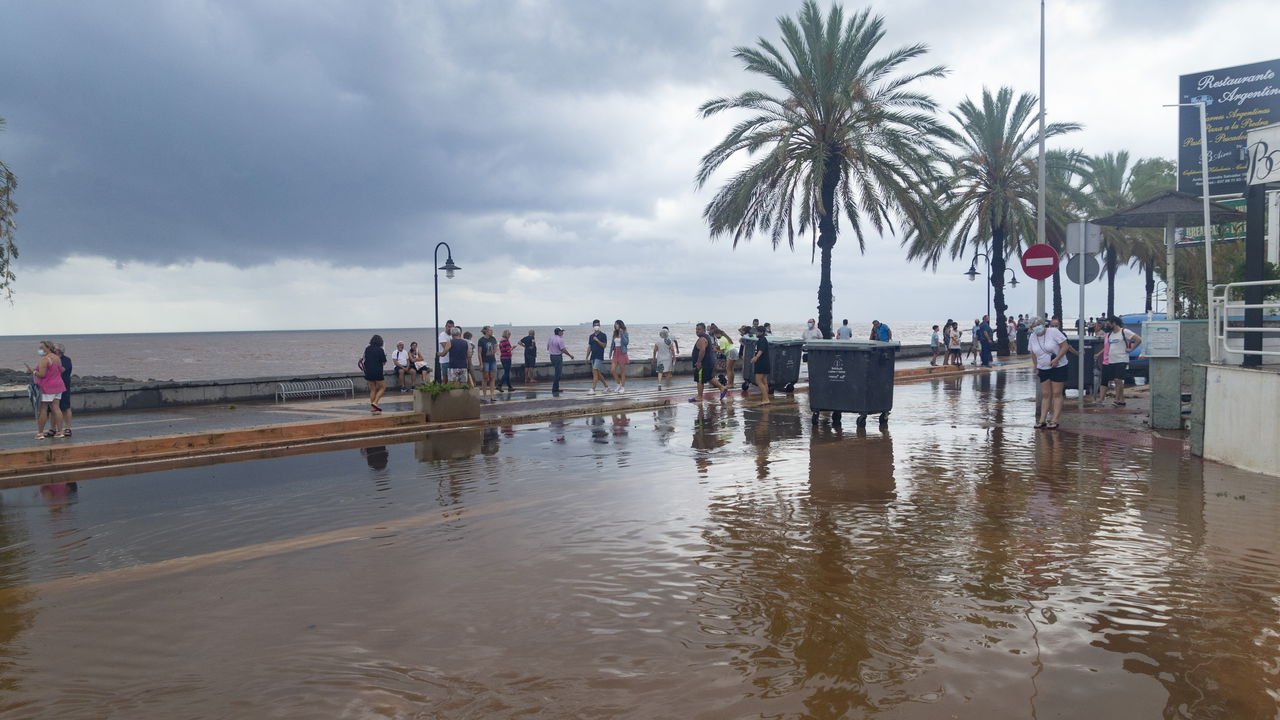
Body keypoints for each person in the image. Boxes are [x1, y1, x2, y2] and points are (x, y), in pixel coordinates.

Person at [1028, 317, 1070, 429]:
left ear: (1043, 324)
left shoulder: (1053, 332)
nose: (1037, 327)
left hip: (1058, 366)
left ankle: (1055, 419)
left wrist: (1057, 359)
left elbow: (1065, 346)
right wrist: (1035, 366)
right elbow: (1033, 353)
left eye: (1038, 324)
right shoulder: (1032, 337)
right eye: (1034, 326)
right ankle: (1042, 419)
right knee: (1046, 394)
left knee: (1056, 393)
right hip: (1043, 367)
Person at [1097, 315, 1141, 407]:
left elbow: (1138, 339)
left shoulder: (1124, 332)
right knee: (1116, 380)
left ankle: (1117, 399)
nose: (1107, 326)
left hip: (1122, 359)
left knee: (1118, 379)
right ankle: (1121, 400)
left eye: (1108, 324)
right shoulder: (1110, 334)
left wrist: (1131, 349)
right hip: (1112, 360)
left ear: (1114, 323)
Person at [689, 322, 728, 403]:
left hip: (704, 364)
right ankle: (722, 388)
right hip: (709, 362)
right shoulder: (706, 337)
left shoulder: (703, 339)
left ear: (704, 330)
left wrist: (699, 362)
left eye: (699, 329)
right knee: (709, 378)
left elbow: (702, 351)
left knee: (700, 379)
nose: (697, 331)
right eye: (696, 329)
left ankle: (699, 396)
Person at [585, 319, 613, 394]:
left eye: (597, 325)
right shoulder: (591, 336)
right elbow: (589, 347)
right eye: (595, 325)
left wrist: (597, 340)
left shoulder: (603, 335)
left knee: (595, 371)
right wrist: (586, 357)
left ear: (599, 326)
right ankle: (607, 387)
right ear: (593, 326)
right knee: (597, 373)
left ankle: (593, 389)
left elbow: (604, 345)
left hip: (599, 356)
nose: (596, 326)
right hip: (593, 356)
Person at [362, 334, 387, 414]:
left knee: (372, 389)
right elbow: (384, 362)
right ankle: (375, 402)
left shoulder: (367, 349)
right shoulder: (380, 350)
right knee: (382, 387)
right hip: (377, 371)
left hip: (368, 371)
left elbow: (364, 359)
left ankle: (374, 408)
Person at [547, 327, 573, 394]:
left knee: (557, 372)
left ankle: (556, 388)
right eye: (561, 331)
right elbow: (563, 349)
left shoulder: (550, 338)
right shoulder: (560, 339)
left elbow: (547, 347)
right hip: (557, 357)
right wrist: (570, 355)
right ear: (558, 332)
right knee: (558, 373)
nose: (562, 333)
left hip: (552, 356)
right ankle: (555, 388)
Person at [750, 326, 771, 405]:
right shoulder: (763, 339)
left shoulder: (762, 340)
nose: (756, 333)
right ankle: (765, 398)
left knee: (758, 381)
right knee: (764, 381)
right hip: (765, 363)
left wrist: (756, 357)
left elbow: (761, 350)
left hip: (761, 363)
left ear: (761, 332)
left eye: (757, 331)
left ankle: (766, 399)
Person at [56, 342, 73, 436]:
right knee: (54, 408)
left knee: (66, 407)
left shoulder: (66, 360)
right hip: (54, 386)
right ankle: (53, 428)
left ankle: (68, 428)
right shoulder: (52, 359)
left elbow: (63, 370)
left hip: (64, 386)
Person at [477, 326, 498, 402]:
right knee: (485, 378)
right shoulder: (481, 340)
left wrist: (494, 350)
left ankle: (492, 395)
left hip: (492, 360)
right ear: (486, 331)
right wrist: (481, 363)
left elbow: (495, 348)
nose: (492, 331)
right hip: (485, 360)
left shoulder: (493, 339)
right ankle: (484, 395)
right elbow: (479, 353)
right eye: (490, 330)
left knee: (492, 377)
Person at [609, 320, 630, 393]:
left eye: (617, 324)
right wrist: (610, 352)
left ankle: (623, 387)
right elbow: (612, 343)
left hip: (622, 352)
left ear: (620, 325)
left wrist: (622, 334)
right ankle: (619, 384)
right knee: (612, 370)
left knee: (622, 371)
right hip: (615, 352)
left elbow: (626, 343)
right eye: (615, 324)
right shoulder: (615, 333)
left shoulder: (625, 333)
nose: (616, 326)